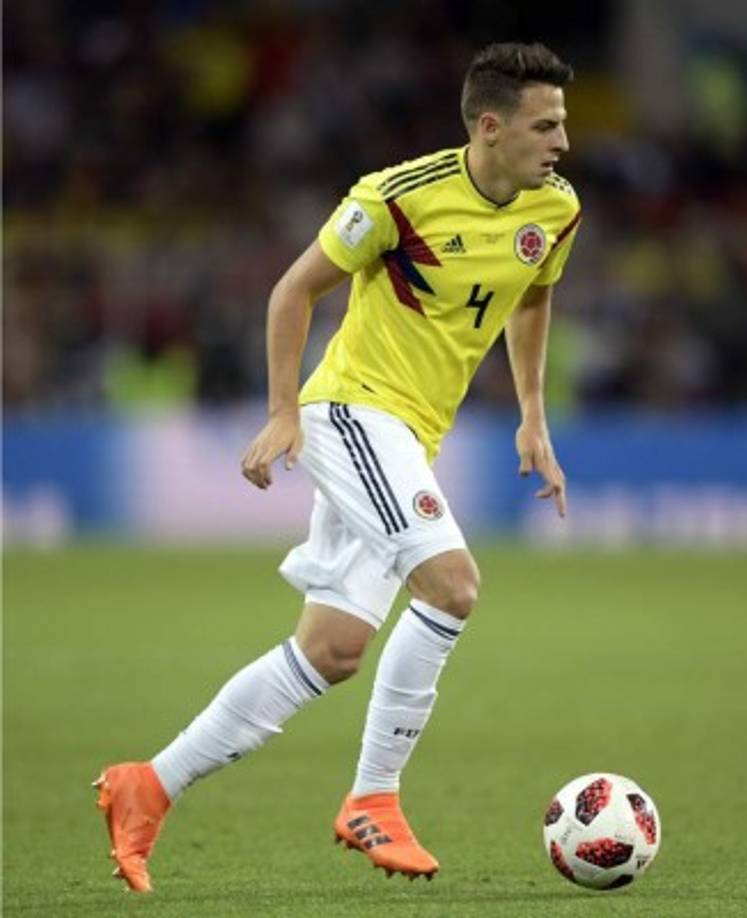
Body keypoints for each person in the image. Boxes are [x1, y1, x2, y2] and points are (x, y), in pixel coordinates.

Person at [93, 40, 580, 893]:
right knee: (453, 587)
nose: (562, 142)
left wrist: (533, 414)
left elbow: (531, 294)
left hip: (410, 436)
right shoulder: (397, 197)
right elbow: (294, 290)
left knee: (330, 650)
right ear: (491, 127)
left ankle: (149, 785)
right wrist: (284, 411)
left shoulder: (557, 210)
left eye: (564, 124)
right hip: (354, 411)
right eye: (545, 125)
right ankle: (374, 798)